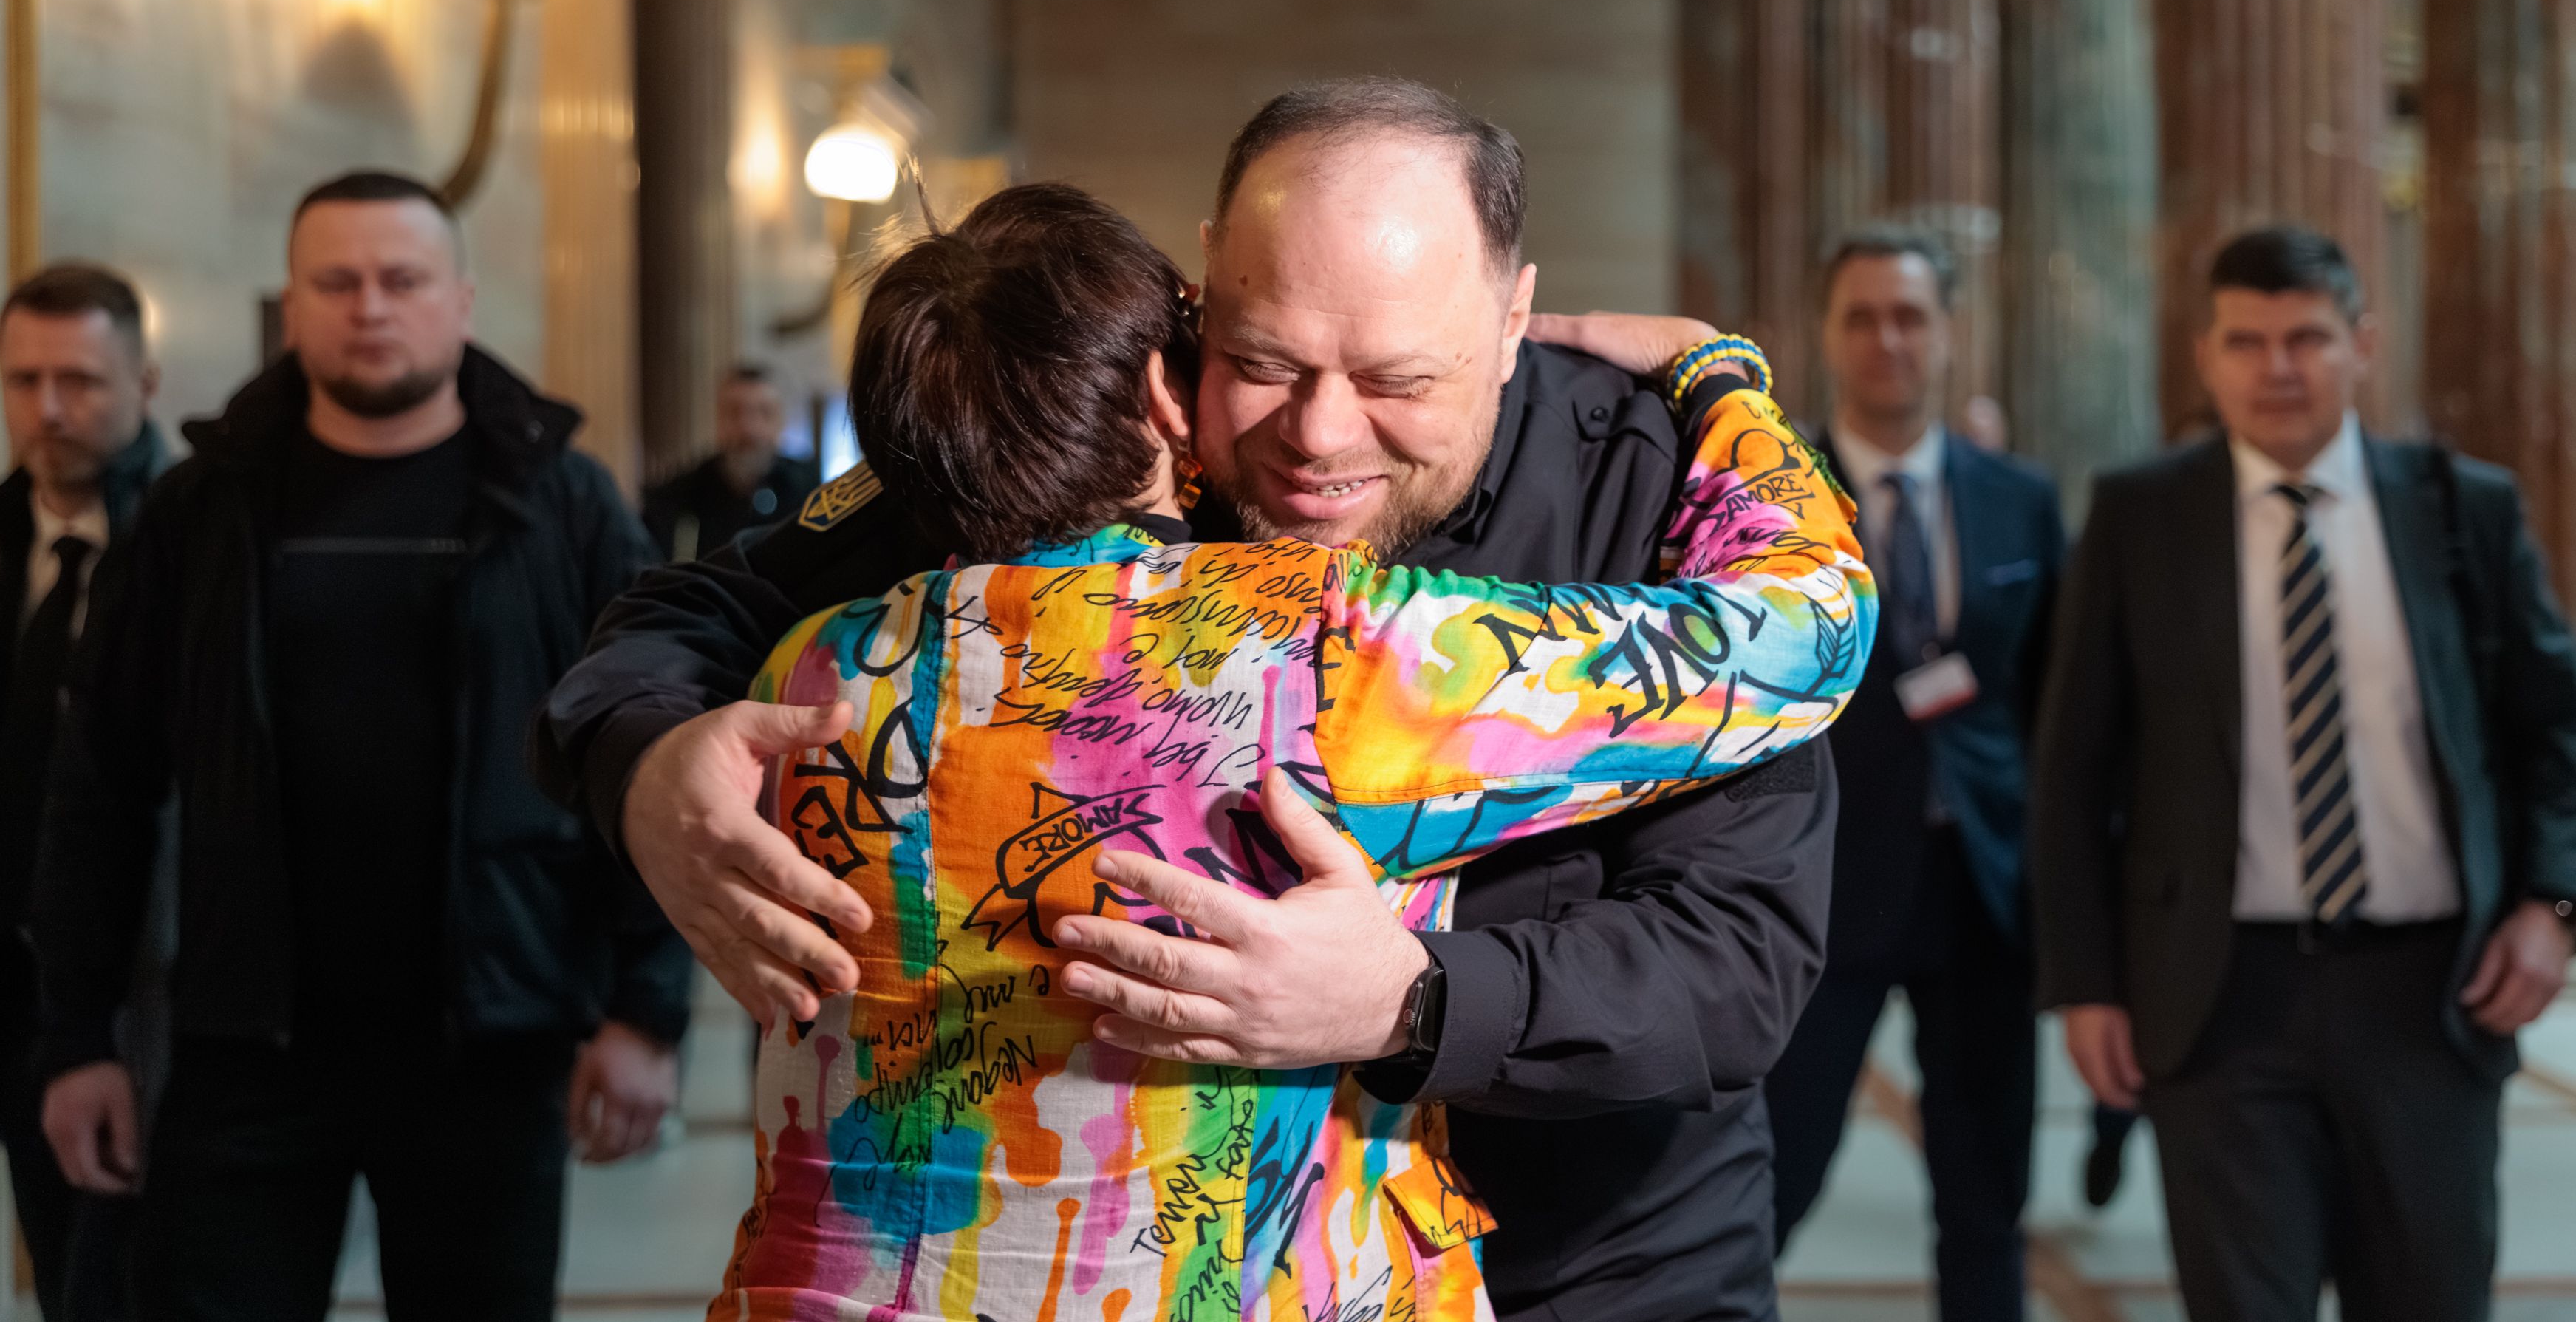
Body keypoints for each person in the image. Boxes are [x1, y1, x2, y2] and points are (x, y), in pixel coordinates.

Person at [540, 78, 1851, 1321]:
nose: (1319, 436)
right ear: (1196, 303)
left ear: (1512, 317)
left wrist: (1414, 1000)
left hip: (1607, 1261)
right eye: (1265, 359)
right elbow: (688, 611)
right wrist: (643, 763)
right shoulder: (1108, 423)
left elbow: (1738, 964)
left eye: (1399, 381)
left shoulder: (1667, 485)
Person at [33, 172, 694, 1322]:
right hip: (247, 1036)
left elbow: (649, 765)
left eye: (401, 279)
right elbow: (100, 782)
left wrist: (645, 1006)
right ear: (290, 306)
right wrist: (79, 1034)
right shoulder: (202, 511)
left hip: (490, 1037)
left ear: (461, 300)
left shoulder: (564, 506)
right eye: (335, 281)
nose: (369, 305)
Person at [2034, 225, 2576, 1321]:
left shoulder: (2458, 506)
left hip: (2428, 993)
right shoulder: (2139, 515)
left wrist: (2553, 901)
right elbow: (2071, 763)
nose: (2274, 367)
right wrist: (2083, 979)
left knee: (2429, 1297)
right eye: (2245, 341)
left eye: (2305, 338)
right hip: (2217, 994)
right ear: (2203, 355)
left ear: (2360, 345)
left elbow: (2553, 727)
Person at [1757, 231, 2063, 1320]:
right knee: (1768, 1184)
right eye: (1861, 316)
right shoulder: (1765, 496)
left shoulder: (2019, 498)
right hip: (1818, 896)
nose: (1887, 338)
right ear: (1824, 335)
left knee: (1985, 1202)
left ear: (1945, 331)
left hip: (1980, 894)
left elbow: (2051, 703)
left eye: (1909, 315)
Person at [0, 265, 168, 1320]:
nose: (49, 408)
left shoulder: (186, 558)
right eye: (25, 378)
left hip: (142, 1002)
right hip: (1, 996)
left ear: (146, 382)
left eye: (80, 379)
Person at [642, 364, 814, 561]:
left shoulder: (808, 493)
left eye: (764, 413)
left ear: (780, 421)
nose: (748, 428)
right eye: (735, 412)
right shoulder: (676, 498)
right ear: (718, 419)